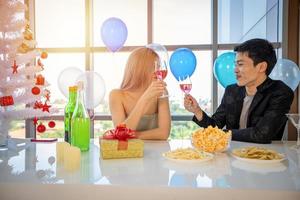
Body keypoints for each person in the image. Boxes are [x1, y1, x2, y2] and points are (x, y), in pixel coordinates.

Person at [184, 38, 294, 144]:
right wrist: (197, 110)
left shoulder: (281, 92)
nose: (235, 70)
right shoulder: (231, 90)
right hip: (232, 156)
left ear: (261, 67)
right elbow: (215, 125)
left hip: (264, 157)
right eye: (235, 64)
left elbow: (262, 134)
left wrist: (222, 134)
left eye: (240, 64)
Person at [109, 47, 171, 140]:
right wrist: (145, 99)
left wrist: (133, 135)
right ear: (140, 69)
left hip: (156, 151)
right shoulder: (116, 95)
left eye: (158, 66)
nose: (158, 71)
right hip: (129, 152)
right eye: (154, 67)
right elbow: (121, 134)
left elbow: (164, 134)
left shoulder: (161, 93)